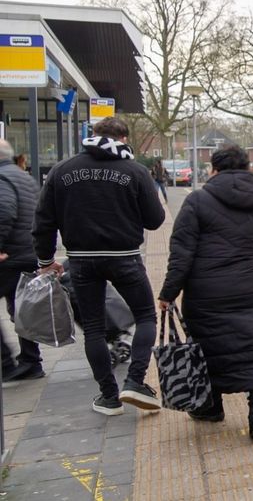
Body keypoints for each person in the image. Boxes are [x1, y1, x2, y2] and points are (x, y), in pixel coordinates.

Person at [33, 117, 165, 416]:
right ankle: (134, 381)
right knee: (146, 317)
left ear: (92, 136)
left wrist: (45, 261)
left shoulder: (62, 170)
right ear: (124, 138)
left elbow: (43, 222)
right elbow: (155, 220)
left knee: (93, 327)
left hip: (81, 260)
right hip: (125, 257)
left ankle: (108, 396)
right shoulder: (134, 171)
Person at [159, 144, 253, 441]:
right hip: (249, 288)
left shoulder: (197, 200)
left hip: (206, 292)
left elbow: (181, 253)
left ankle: (212, 408)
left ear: (214, 169)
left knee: (207, 347)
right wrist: (247, 269)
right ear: (246, 167)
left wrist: (168, 292)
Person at [0, 140, 44, 382]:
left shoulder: (2, 178)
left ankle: (6, 363)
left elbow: (4, 210)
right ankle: (30, 361)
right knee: (20, 309)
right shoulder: (22, 176)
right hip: (28, 252)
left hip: (11, 255)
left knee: (19, 309)